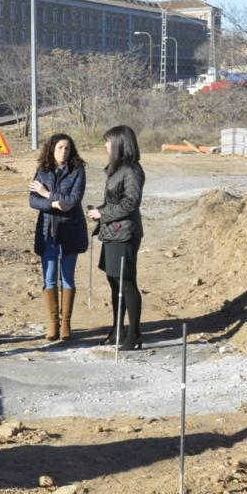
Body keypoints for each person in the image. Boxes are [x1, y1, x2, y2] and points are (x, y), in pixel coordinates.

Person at [89, 125, 146, 350]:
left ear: (120, 144)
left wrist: (102, 213)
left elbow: (131, 203)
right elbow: (115, 200)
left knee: (127, 283)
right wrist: (100, 210)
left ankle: (134, 335)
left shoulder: (132, 170)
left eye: (108, 141)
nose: (105, 145)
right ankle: (117, 330)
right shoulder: (117, 169)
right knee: (115, 283)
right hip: (113, 232)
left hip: (125, 233)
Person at [28, 133, 88, 341]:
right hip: (48, 232)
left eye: (67, 148)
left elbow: (72, 200)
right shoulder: (42, 171)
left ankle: (66, 324)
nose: (64, 151)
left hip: (71, 230)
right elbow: (32, 200)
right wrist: (52, 204)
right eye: (60, 147)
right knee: (49, 277)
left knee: (68, 278)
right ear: (52, 149)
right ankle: (53, 323)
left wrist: (47, 195)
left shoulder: (78, 170)